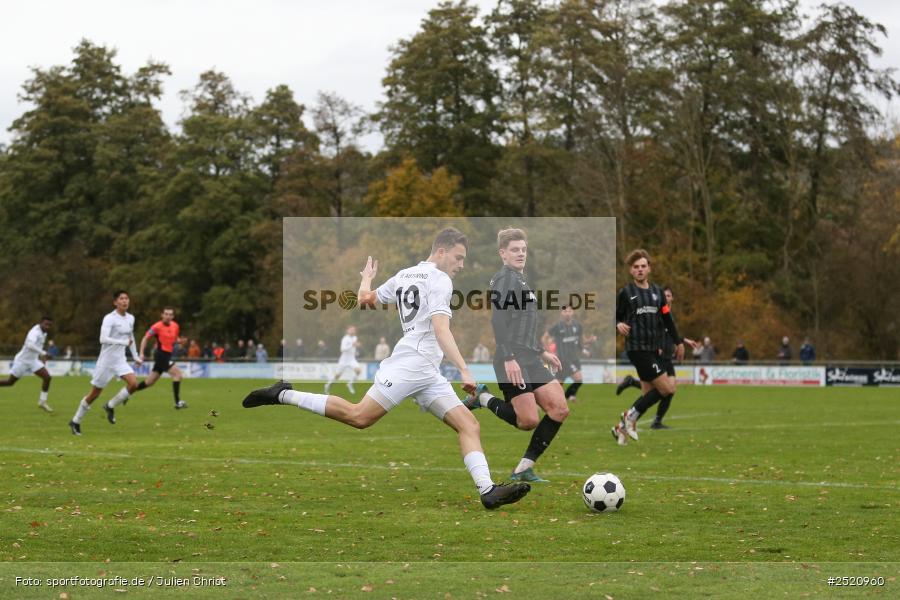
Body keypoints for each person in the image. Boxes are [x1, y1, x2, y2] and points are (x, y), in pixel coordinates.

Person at [242, 227, 531, 510]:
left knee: (469, 424)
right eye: (458, 257)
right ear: (441, 252)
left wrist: (366, 279)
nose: (461, 264)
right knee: (360, 416)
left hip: (426, 371)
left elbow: (364, 300)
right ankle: (283, 394)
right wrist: (465, 370)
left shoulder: (404, 274)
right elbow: (441, 329)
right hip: (412, 365)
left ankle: (488, 490)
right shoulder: (440, 280)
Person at [463, 227, 569, 484]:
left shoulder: (522, 281)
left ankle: (523, 469)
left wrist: (542, 352)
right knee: (528, 420)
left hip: (530, 357)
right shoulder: (505, 279)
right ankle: (484, 398)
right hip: (512, 359)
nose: (521, 253)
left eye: (523, 249)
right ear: (503, 253)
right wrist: (509, 356)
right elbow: (499, 320)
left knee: (559, 408)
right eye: (514, 250)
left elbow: (522, 326)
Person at [610, 250, 686, 445]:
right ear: (631, 271)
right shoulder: (626, 293)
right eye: (636, 267)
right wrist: (617, 323)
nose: (640, 270)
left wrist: (678, 342)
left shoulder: (658, 293)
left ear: (649, 268)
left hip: (653, 349)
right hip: (637, 348)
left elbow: (667, 319)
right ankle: (630, 417)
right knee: (667, 389)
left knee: (648, 394)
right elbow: (616, 316)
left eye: (643, 266)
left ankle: (620, 428)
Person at [615, 286, 698, 429]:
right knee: (664, 390)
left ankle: (640, 418)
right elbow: (653, 331)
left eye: (669, 295)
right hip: (657, 355)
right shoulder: (656, 312)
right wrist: (657, 346)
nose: (666, 298)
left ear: (672, 298)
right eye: (664, 295)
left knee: (666, 390)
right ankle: (635, 419)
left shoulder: (668, 314)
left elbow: (670, 331)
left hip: (667, 357)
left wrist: (683, 341)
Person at [69, 291, 142, 435]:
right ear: (115, 302)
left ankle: (110, 405)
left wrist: (136, 356)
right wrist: (122, 342)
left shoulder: (130, 318)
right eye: (121, 299)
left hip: (120, 360)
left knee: (133, 384)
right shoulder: (109, 318)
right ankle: (75, 421)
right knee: (94, 394)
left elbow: (130, 337)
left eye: (126, 298)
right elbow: (103, 338)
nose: (124, 301)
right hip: (106, 362)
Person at [103, 307, 187, 423]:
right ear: (162, 315)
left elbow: (173, 339)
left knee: (149, 382)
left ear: (173, 316)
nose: (168, 316)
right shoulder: (157, 326)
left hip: (167, 356)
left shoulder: (175, 326)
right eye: (166, 314)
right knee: (178, 374)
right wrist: (141, 353)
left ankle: (127, 394)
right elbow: (145, 338)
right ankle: (177, 402)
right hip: (161, 355)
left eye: (170, 314)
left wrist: (180, 341)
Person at [0, 316, 55, 412]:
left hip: (33, 361)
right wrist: (44, 353)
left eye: (49, 325)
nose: (47, 327)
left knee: (47, 377)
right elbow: (30, 345)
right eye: (46, 324)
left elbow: (37, 347)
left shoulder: (44, 333)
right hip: (22, 361)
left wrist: (42, 357)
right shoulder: (35, 332)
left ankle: (42, 402)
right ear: (41, 323)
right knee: (10, 382)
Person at [547, 305, 586, 402]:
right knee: (578, 379)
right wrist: (548, 352)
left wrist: (586, 345)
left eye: (569, 311)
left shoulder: (577, 325)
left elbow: (581, 340)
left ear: (572, 312)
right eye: (565, 311)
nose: (567, 313)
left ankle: (548, 398)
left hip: (574, 358)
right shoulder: (557, 326)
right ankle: (568, 396)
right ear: (561, 313)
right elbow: (544, 338)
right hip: (563, 358)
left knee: (559, 383)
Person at [324, 326, 362, 394]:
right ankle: (327, 385)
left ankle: (350, 384)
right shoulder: (345, 339)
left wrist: (357, 348)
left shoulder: (355, 338)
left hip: (352, 359)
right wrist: (352, 345)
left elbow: (354, 347)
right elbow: (342, 349)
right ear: (347, 331)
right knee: (337, 376)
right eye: (351, 330)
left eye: (354, 330)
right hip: (343, 360)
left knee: (358, 371)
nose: (353, 331)